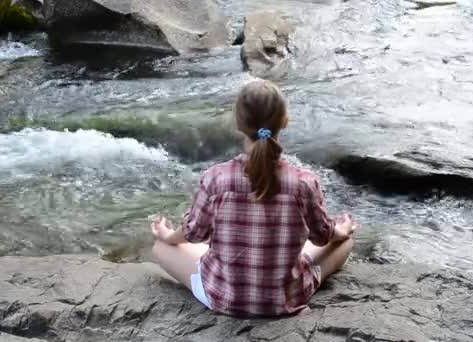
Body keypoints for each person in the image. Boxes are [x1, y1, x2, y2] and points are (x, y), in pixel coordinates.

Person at [151, 80, 357, 317]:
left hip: (223, 298)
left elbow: (192, 234)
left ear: (238, 124)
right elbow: (322, 237)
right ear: (285, 121)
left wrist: (167, 235)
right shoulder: (304, 182)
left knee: (161, 247)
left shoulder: (215, 178)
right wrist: (340, 231)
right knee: (346, 243)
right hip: (282, 301)